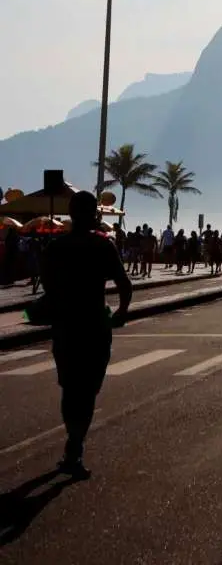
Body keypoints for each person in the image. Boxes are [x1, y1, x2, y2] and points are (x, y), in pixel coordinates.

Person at [40, 190, 132, 479]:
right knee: (88, 389)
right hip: (94, 325)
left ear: (70, 212)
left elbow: (46, 285)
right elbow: (124, 284)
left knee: (70, 388)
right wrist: (121, 312)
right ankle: (76, 445)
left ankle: (73, 441)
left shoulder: (57, 247)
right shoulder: (103, 246)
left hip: (66, 326)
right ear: (95, 214)